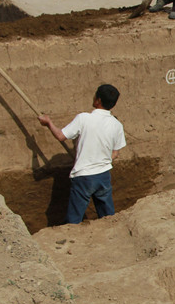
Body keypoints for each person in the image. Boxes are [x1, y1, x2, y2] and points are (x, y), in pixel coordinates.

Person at [38, 84, 126, 225]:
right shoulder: (117, 125)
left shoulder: (83, 118)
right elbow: (115, 153)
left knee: (73, 220)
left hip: (84, 177)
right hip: (103, 175)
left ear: (98, 100)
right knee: (109, 218)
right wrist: (101, 160)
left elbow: (61, 136)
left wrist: (48, 123)